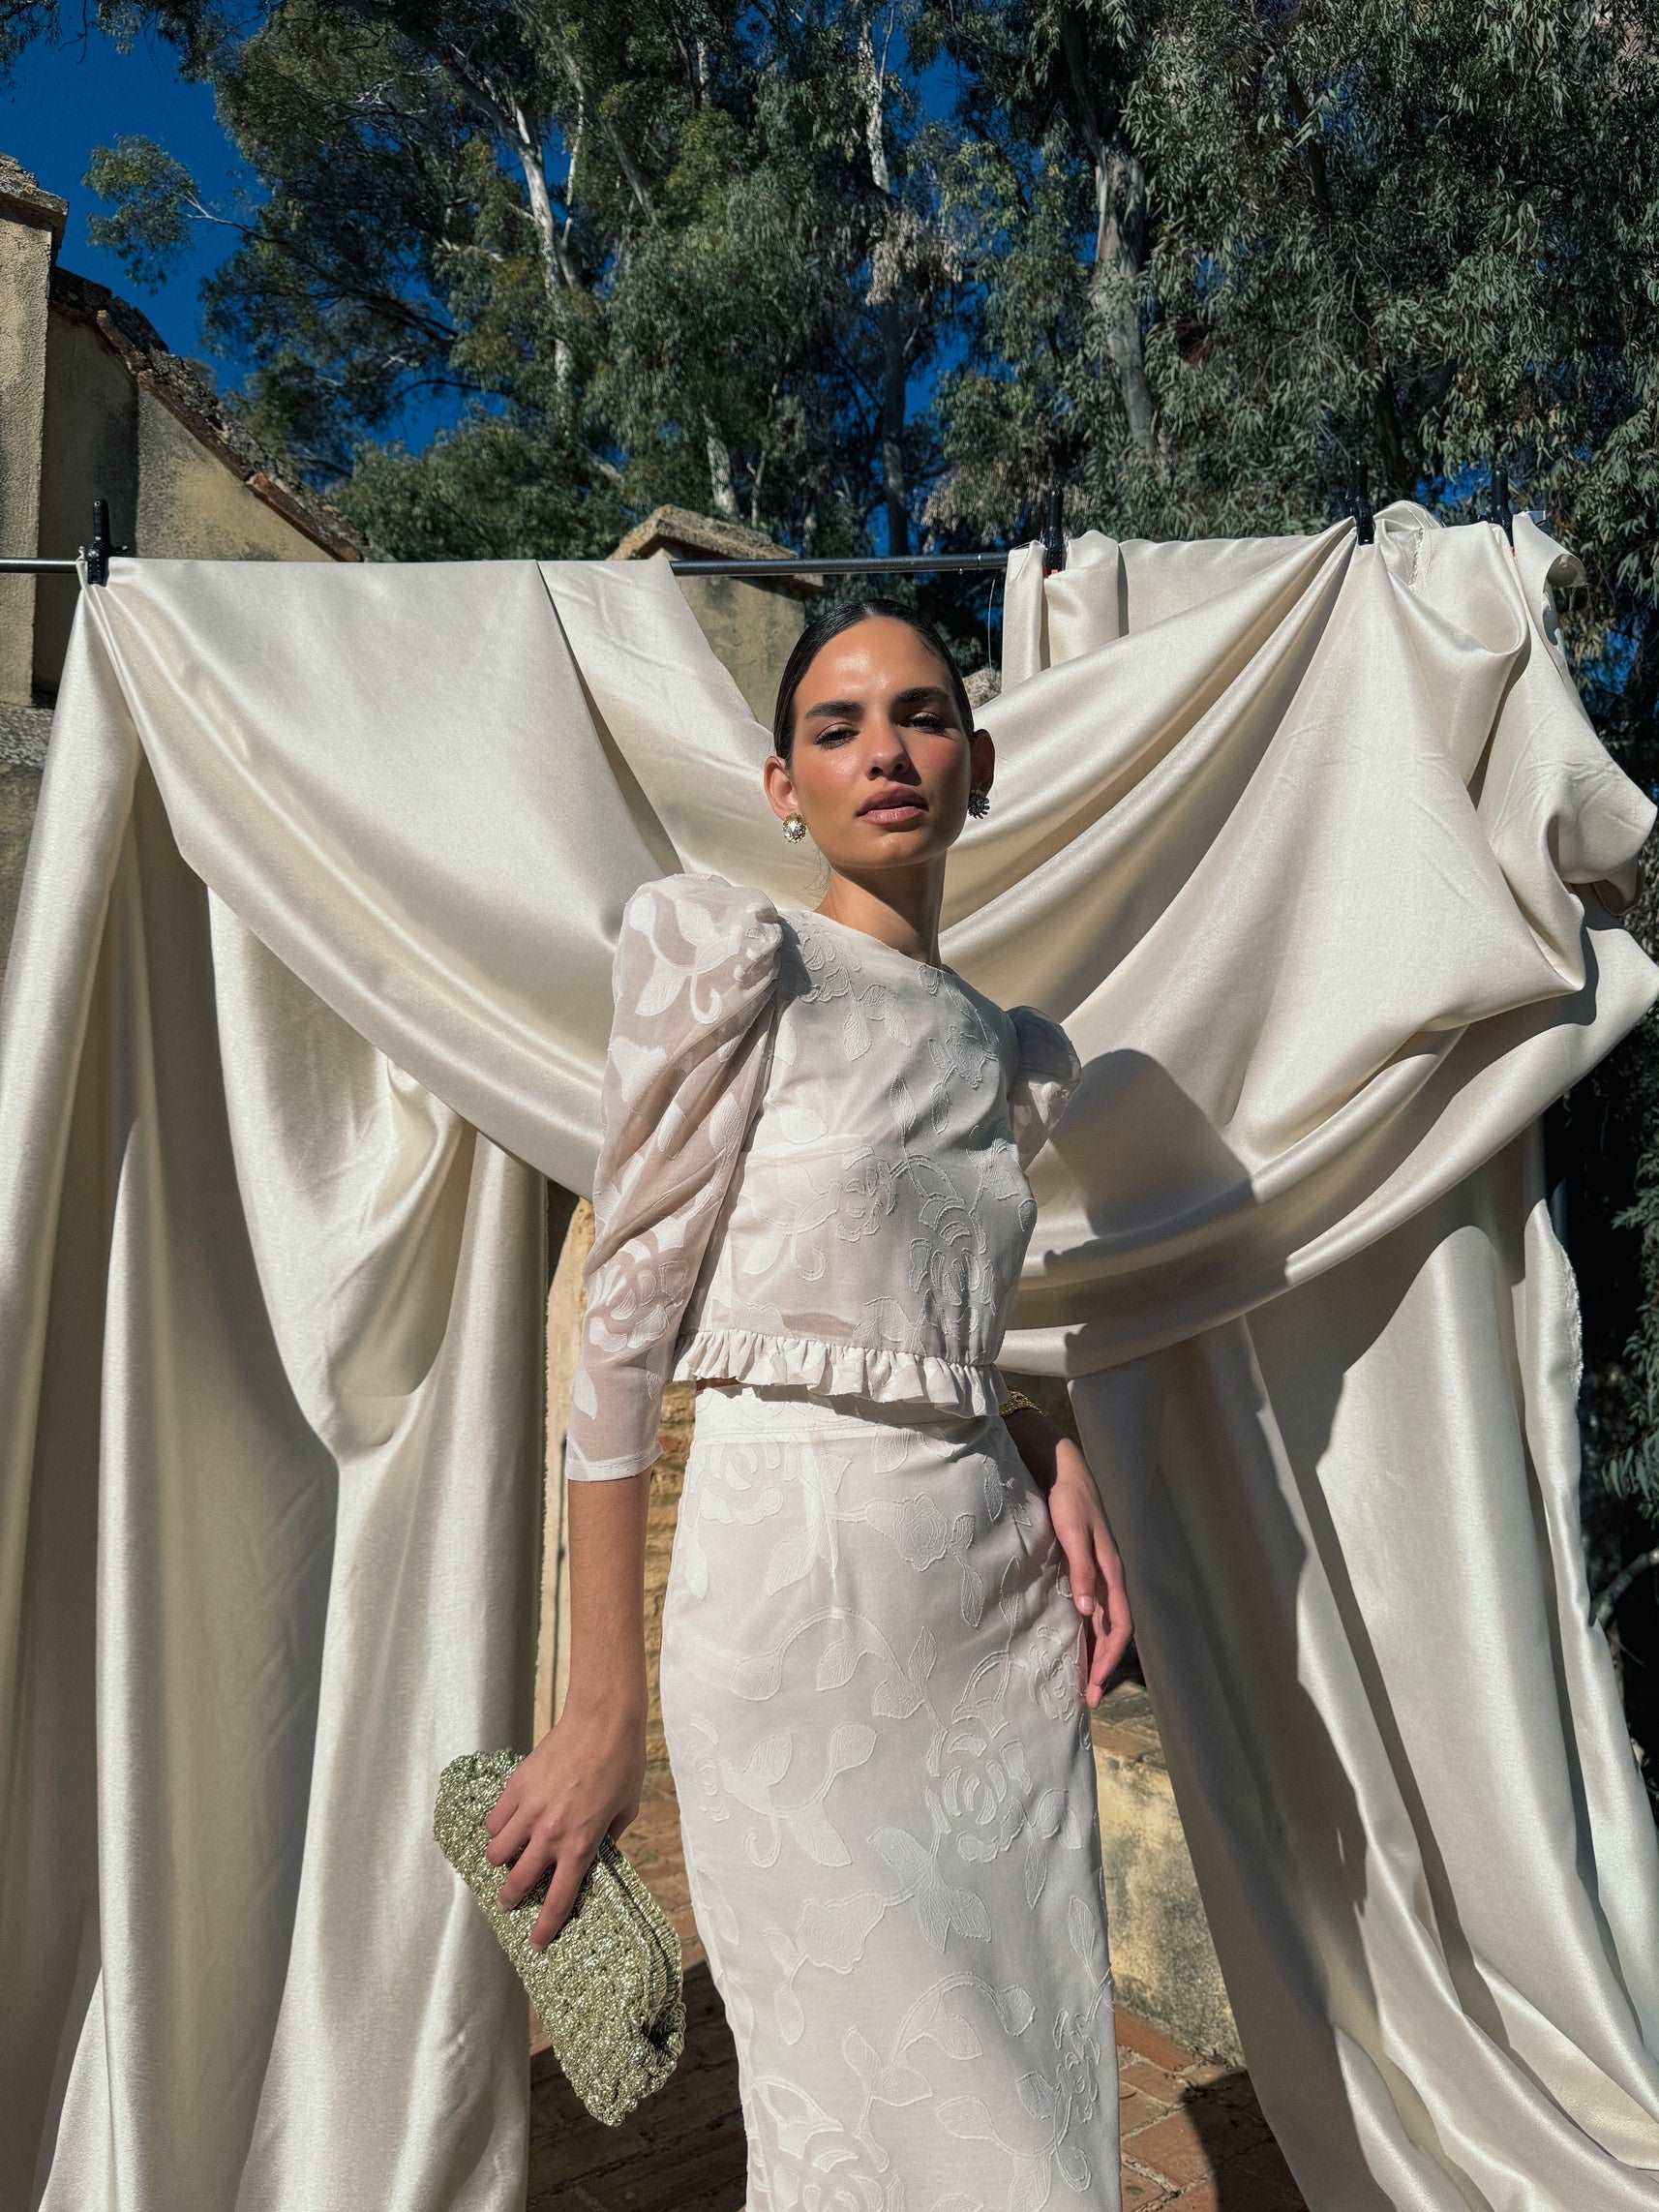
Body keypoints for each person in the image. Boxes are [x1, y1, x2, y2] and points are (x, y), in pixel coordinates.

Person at [484, 596, 1134, 2204]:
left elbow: (928, 1314)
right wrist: (598, 1699)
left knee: (1032, 2105)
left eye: (919, 715)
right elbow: (620, 1333)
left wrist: (1041, 1439)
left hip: (989, 1612)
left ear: (974, 763)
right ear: (782, 785)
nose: (883, 751)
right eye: (835, 727)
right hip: (790, 1597)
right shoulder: (737, 965)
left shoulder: (1005, 1050)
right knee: (853, 2110)